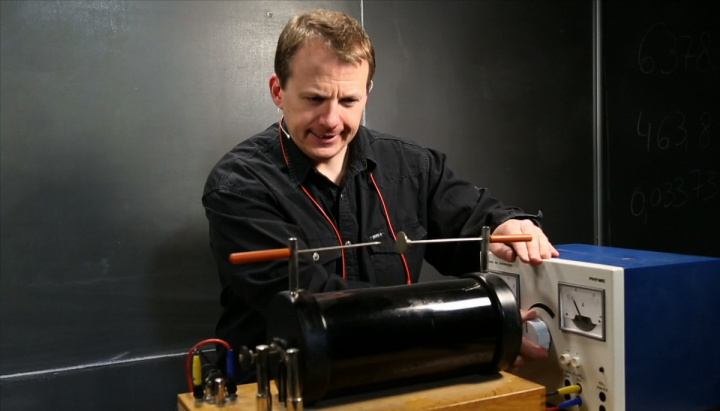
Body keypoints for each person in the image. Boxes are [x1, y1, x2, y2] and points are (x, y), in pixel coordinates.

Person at [203, 9, 559, 380]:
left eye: (348, 101)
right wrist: (474, 330)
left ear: (367, 94)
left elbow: (475, 223)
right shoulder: (238, 186)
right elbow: (316, 305)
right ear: (278, 90)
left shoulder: (413, 167)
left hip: (395, 381)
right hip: (281, 392)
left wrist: (507, 225)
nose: (330, 121)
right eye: (314, 99)